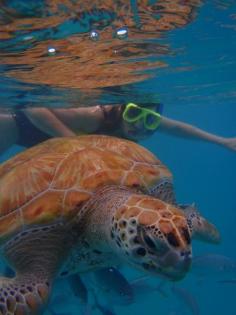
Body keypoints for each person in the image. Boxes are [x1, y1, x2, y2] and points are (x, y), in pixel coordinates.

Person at [0, 102, 235, 154]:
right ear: (122, 110)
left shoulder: (138, 121)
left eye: (150, 121)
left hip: (37, 142)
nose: (138, 125)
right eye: (133, 114)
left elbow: (179, 128)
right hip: (12, 125)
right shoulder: (95, 115)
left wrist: (222, 141)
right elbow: (30, 106)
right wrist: (75, 141)